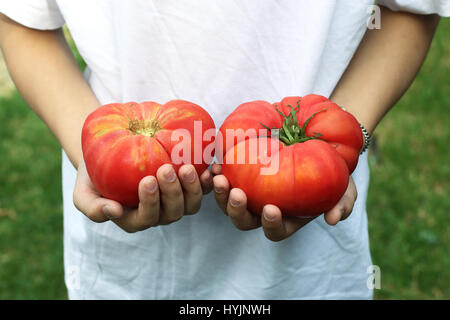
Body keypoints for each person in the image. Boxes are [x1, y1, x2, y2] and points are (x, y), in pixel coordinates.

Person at [0, 0, 447, 299]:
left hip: (311, 264)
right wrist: (94, 157)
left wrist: (350, 137)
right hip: (128, 267)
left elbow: (408, 8)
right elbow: (20, 18)